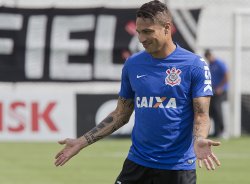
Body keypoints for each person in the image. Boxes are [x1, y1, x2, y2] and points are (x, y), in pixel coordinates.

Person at [54, 1, 221, 183]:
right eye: (139, 32)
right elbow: (120, 114)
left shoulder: (194, 65)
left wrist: (199, 139)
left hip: (177, 168)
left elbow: (201, 115)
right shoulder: (133, 64)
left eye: (148, 32)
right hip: (137, 164)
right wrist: (81, 142)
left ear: (167, 28)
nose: (141, 39)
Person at [204, 49, 229, 138]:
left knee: (217, 110)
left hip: (220, 91)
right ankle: (216, 131)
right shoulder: (211, 64)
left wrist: (221, 87)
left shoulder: (219, 63)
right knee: (212, 111)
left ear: (211, 55)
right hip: (213, 90)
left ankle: (222, 131)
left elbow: (227, 75)